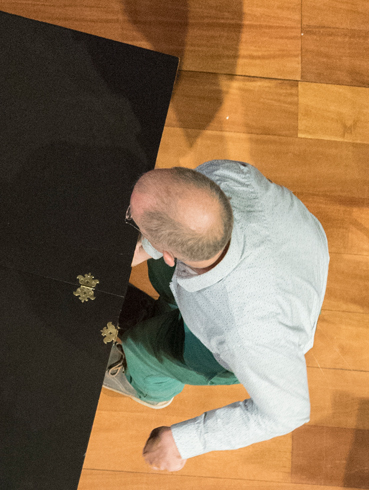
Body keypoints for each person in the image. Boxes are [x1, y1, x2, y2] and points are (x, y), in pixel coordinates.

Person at [104, 162, 329, 472]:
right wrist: (146, 248)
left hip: (236, 338)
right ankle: (165, 310)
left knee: (145, 349)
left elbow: (288, 412)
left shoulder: (250, 337)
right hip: (279, 264)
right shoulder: (225, 175)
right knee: (161, 276)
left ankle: (149, 388)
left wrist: (184, 441)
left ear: (170, 252)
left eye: (132, 218)